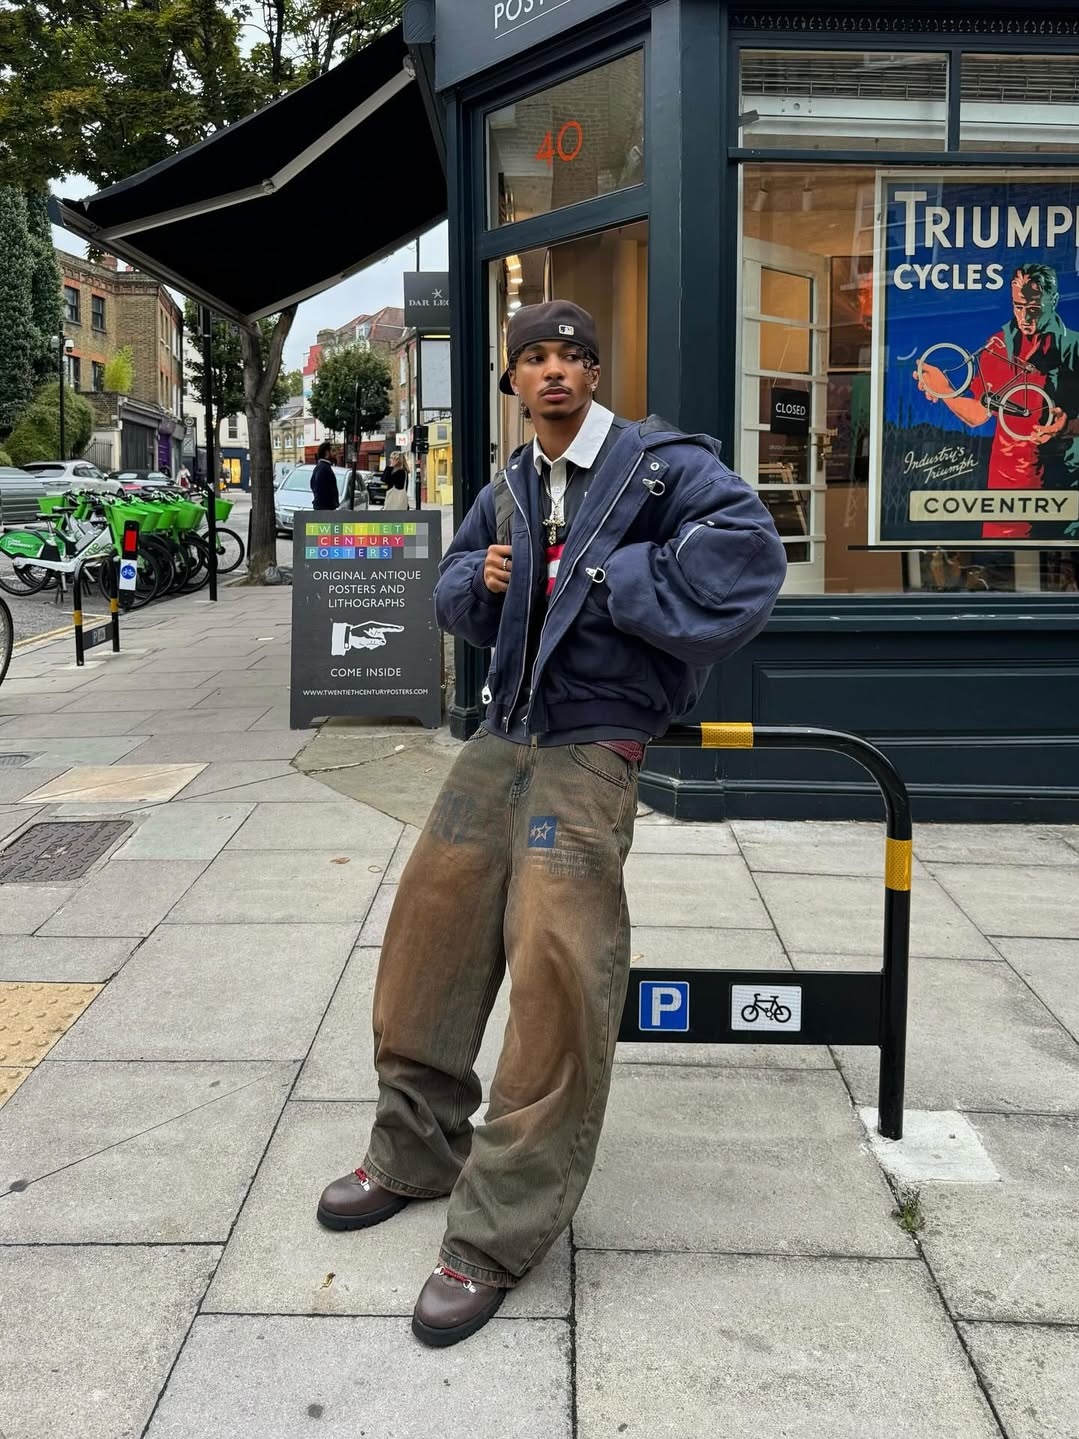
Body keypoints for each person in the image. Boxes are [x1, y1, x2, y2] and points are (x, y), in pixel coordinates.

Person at [316, 299, 786, 1349]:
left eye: (573, 355)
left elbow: (748, 554)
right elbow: (451, 586)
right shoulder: (510, 486)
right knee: (429, 926)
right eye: (534, 357)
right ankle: (414, 1149)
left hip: (594, 741)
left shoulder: (660, 467)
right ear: (512, 381)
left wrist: (609, 575)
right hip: (506, 729)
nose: (556, 371)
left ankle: (498, 1227)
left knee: (556, 962)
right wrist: (483, 583)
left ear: (593, 372)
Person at [916, 264, 1079, 540]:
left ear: (1054, 300)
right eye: (1018, 307)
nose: (1025, 318)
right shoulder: (999, 345)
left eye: (1034, 309)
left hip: (1065, 495)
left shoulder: (1074, 347)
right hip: (1007, 497)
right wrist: (945, 391)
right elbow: (979, 414)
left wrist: (1067, 427)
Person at [310, 440, 339, 511]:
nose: (335, 454)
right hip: (325, 510)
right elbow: (320, 489)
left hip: (324, 509)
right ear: (327, 452)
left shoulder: (321, 467)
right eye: (333, 451)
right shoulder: (323, 468)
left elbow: (312, 485)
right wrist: (331, 505)